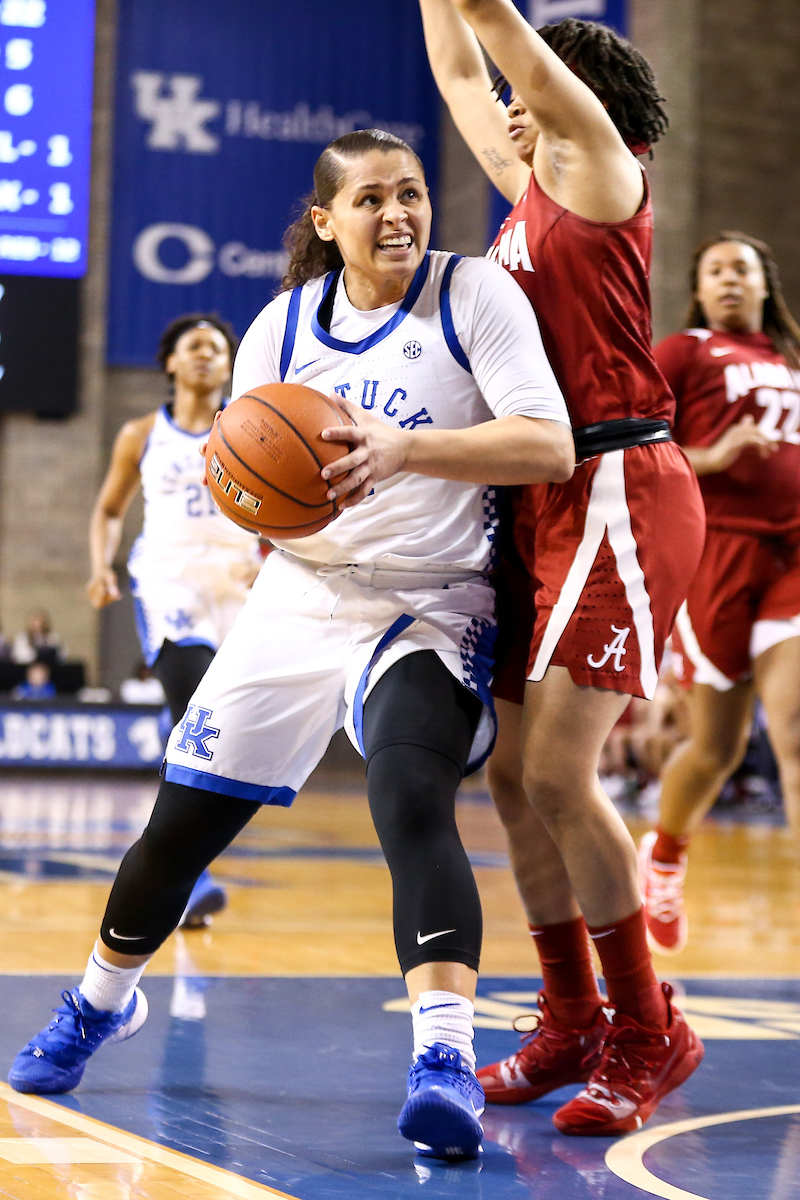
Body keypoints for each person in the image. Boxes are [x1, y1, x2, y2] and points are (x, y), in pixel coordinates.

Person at [8, 128, 573, 1161]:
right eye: (370, 199)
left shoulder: (474, 296)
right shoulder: (283, 324)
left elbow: (547, 443)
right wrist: (265, 514)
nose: (397, 212)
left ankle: (442, 1058)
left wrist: (405, 448)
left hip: (432, 600)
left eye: (409, 193)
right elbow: (247, 466)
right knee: (181, 825)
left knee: (408, 790)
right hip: (301, 596)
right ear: (325, 221)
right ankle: (100, 1002)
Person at [419, 0, 706, 1134]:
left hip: (620, 487)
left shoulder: (595, 164)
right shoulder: (531, 186)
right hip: (539, 495)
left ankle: (649, 1030)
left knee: (555, 774)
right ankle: (568, 1019)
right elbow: (453, 62)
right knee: (507, 778)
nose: (502, 108)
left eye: (521, 91)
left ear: (560, 94)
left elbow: (491, 26)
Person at [639, 232, 800, 953]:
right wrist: (716, 454)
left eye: (743, 269)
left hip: (793, 554)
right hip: (719, 556)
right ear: (700, 290)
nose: (730, 280)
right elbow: (640, 448)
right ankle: (666, 854)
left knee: (794, 728)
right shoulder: (686, 351)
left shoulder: (790, 362)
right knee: (716, 749)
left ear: (765, 284)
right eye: (715, 271)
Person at [86, 313, 263, 928]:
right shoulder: (141, 434)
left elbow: (283, 505)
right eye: (194, 347)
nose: (207, 357)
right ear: (170, 362)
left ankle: (184, 859)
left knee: (223, 735)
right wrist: (101, 564)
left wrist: (275, 552)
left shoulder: (254, 431)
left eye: (217, 349)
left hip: (238, 584)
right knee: (196, 707)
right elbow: (109, 510)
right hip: (168, 583)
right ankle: (193, 874)